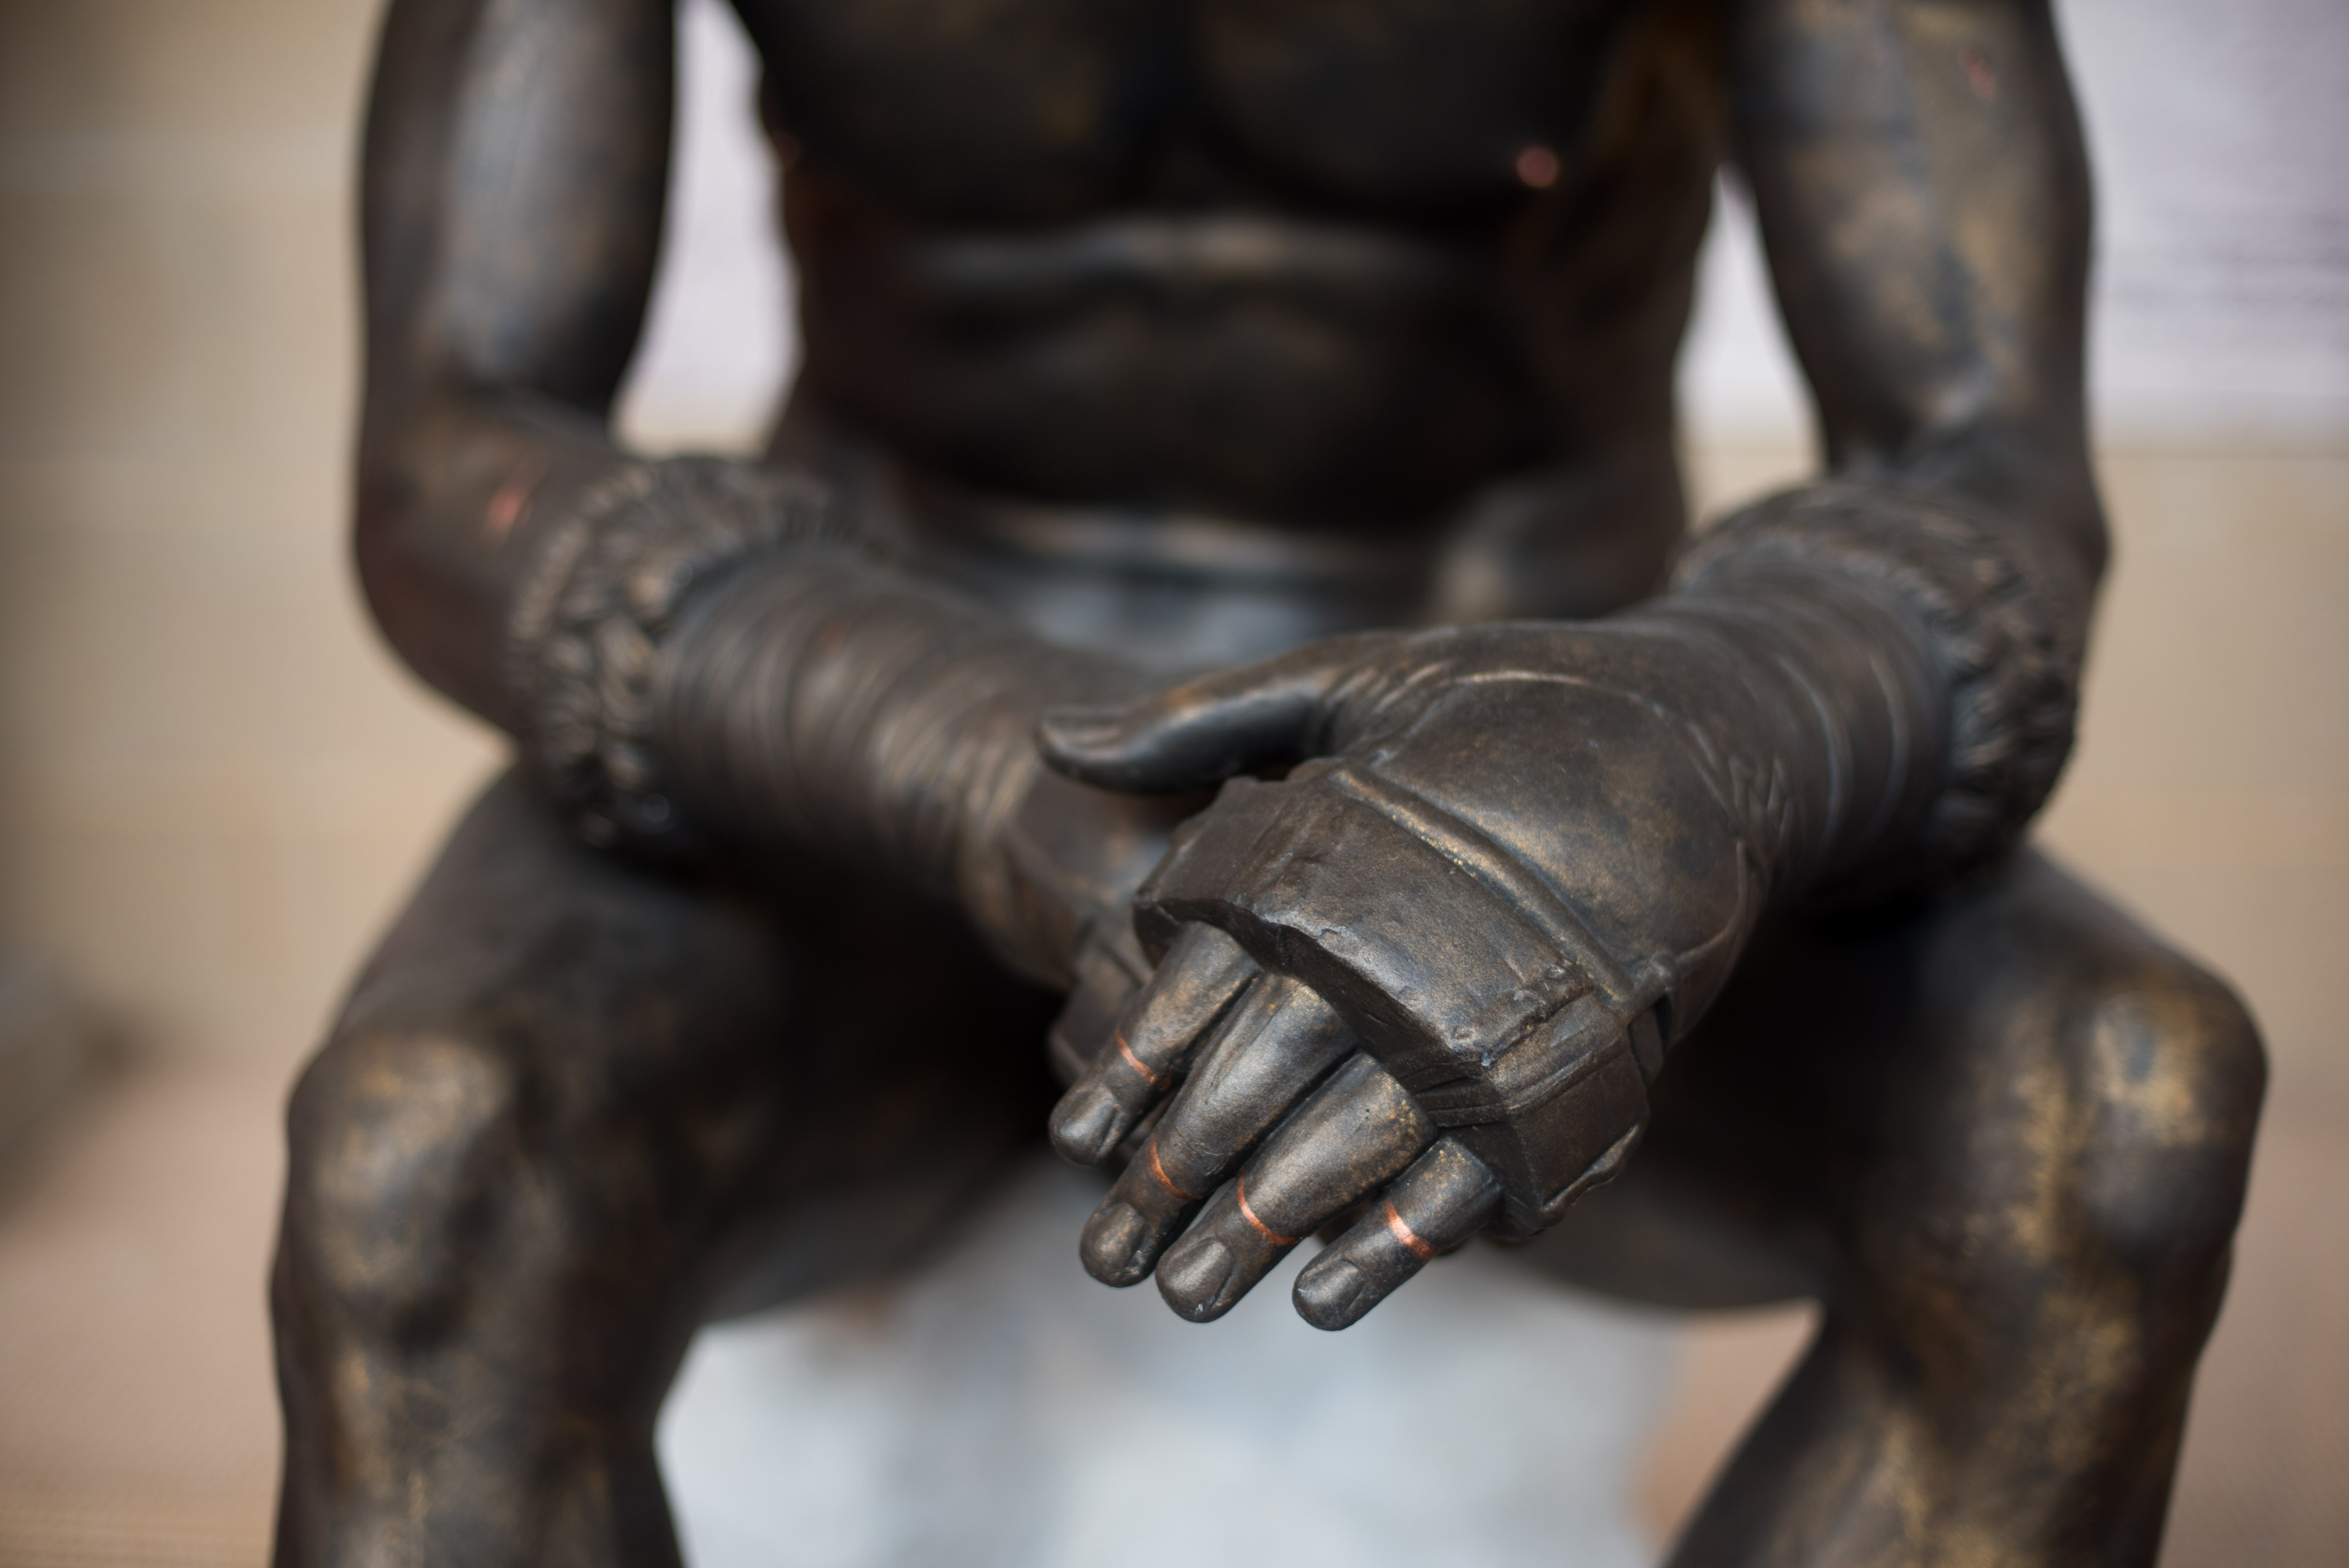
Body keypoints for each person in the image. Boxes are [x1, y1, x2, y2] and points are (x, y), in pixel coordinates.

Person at [270, 1, 2265, 1562]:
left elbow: (1984, 463)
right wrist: (968, 755)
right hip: (867, 767)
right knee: (426, 1153)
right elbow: (455, 445)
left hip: (1501, 790)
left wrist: (1674, 740)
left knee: (2119, 1099)